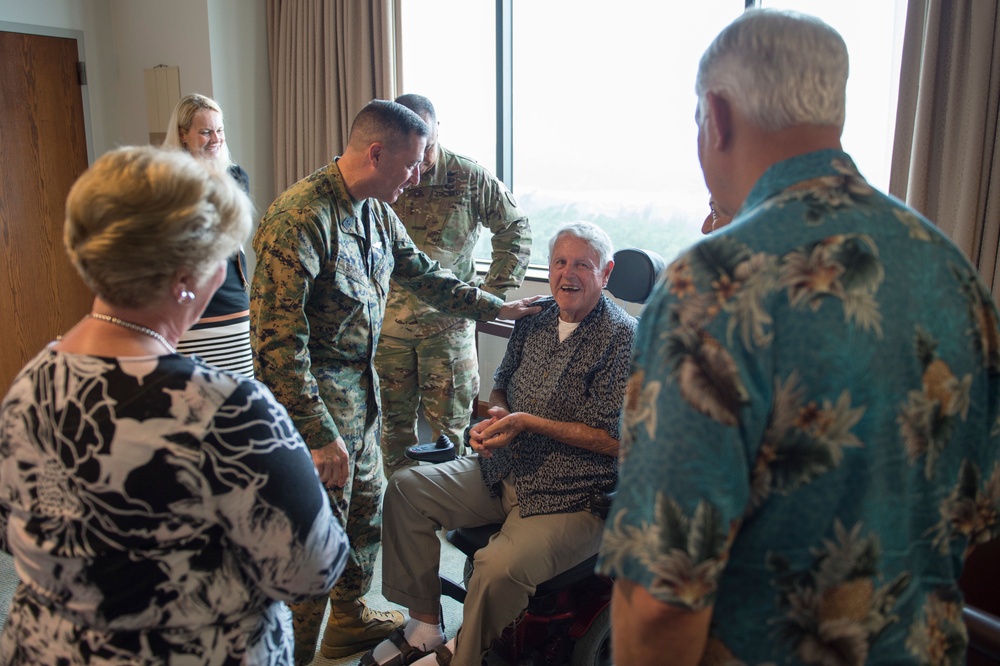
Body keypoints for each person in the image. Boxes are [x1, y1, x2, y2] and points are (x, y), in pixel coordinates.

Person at [597, 9, 1000, 665]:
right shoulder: (953, 270)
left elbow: (662, 600)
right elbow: (978, 515)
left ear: (717, 116)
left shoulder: (713, 283)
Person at [0, 146, 349, 665]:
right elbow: (312, 570)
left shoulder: (28, 384)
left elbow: (14, 533)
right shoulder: (227, 409)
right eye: (224, 262)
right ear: (185, 280)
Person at [249, 99, 542, 665]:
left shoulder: (377, 213)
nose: (418, 175)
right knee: (311, 543)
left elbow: (427, 277)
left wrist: (496, 307)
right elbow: (276, 346)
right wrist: (315, 433)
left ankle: (350, 617)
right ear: (376, 153)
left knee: (364, 519)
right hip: (315, 417)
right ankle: (292, 655)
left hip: (362, 402)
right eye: (410, 164)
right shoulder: (299, 219)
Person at [362, 221, 636, 666]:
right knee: (407, 489)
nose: (568, 274)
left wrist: (529, 423)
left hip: (575, 495)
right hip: (504, 468)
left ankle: (461, 654)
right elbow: (501, 387)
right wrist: (498, 418)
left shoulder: (623, 337)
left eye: (583, 265)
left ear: (606, 273)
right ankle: (426, 626)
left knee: (495, 565)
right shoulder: (537, 318)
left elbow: (616, 440)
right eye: (560, 262)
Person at [376, 93, 531, 479]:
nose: (421, 159)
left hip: (447, 329)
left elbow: (515, 228)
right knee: (391, 430)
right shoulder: (382, 176)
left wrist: (490, 296)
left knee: (453, 432)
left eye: (427, 146)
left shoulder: (468, 176)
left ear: (436, 131)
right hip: (387, 330)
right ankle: (398, 510)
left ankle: (450, 515)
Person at [162, 93, 255, 377]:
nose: (215, 138)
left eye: (219, 130)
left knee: (239, 393)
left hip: (233, 301)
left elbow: (235, 240)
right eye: (205, 132)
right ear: (183, 135)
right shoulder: (167, 181)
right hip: (189, 304)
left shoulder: (236, 176)